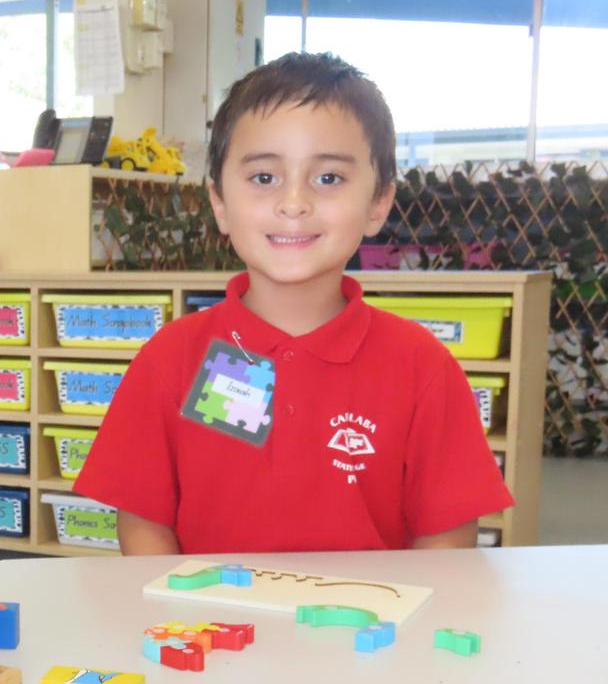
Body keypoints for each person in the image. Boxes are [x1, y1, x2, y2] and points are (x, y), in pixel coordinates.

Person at [74, 53, 513, 555]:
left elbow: (447, 541)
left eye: (328, 178)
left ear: (378, 203)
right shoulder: (170, 359)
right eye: (264, 177)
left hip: (370, 629)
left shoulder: (421, 366)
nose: (293, 203)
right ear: (219, 201)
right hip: (213, 628)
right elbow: (143, 523)